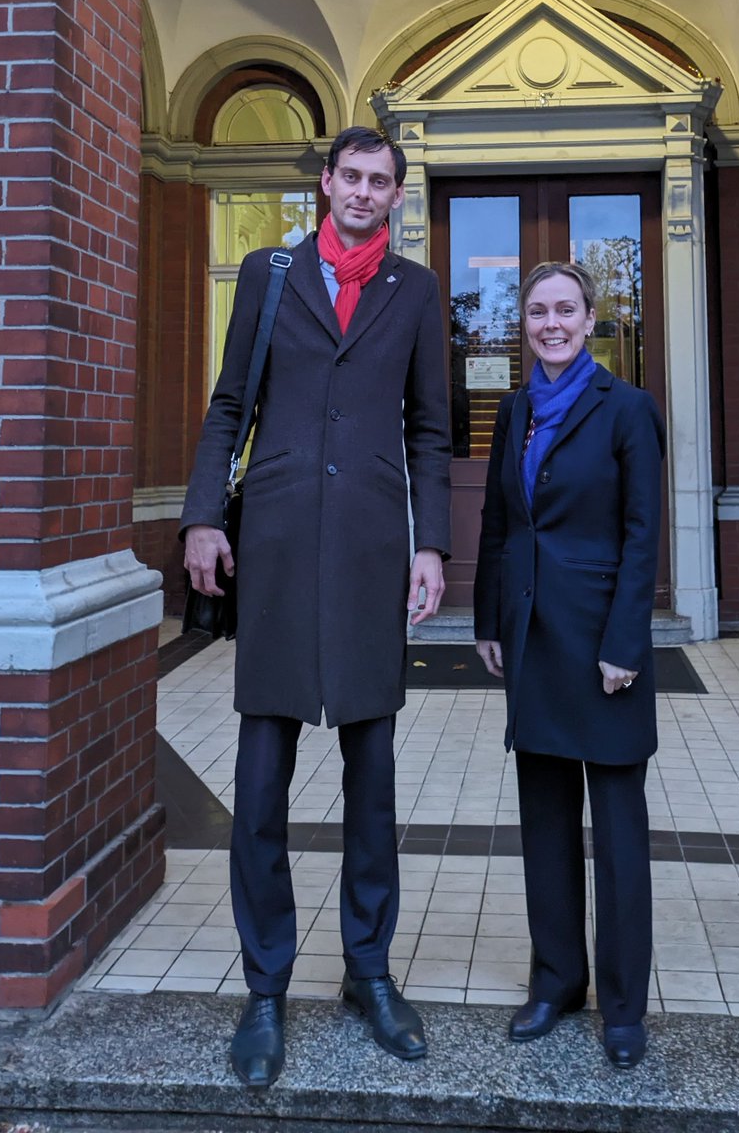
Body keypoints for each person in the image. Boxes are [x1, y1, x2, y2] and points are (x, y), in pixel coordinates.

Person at [180, 126, 452, 1087]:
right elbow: (226, 408)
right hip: (280, 548)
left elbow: (430, 427)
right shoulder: (269, 273)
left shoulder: (414, 291)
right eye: (353, 177)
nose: (366, 193)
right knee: (261, 782)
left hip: (374, 551)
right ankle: (265, 988)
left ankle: (368, 973)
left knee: (370, 782)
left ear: (395, 195)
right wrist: (203, 521)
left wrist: (429, 544)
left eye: (383, 182)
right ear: (326, 182)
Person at [473, 261, 665, 1069]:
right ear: (525, 326)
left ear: (591, 320)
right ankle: (557, 982)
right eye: (537, 312)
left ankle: (622, 1007)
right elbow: (495, 522)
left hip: (602, 646)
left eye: (565, 310)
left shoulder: (626, 409)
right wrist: (485, 618)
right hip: (531, 641)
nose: (550, 323)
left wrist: (626, 642)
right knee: (545, 826)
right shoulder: (512, 411)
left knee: (617, 832)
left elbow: (641, 531)